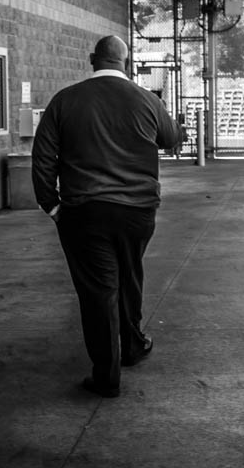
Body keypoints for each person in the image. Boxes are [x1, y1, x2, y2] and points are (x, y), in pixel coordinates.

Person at [31, 35, 184, 397]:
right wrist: (178, 126)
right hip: (137, 211)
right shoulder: (147, 99)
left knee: (99, 291)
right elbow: (171, 138)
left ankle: (107, 375)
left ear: (91, 59)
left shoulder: (65, 101)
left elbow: (43, 158)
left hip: (85, 213)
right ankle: (132, 345)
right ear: (126, 63)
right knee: (130, 275)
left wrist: (51, 205)